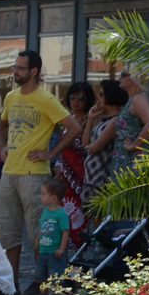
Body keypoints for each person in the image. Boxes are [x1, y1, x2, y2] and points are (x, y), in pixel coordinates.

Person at [0, 50, 80, 291]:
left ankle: (41, 284)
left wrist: (52, 154)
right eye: (15, 67)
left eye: (20, 68)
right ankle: (10, 284)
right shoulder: (11, 97)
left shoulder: (46, 99)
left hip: (35, 175)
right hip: (9, 172)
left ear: (34, 71)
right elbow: (2, 124)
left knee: (39, 233)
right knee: (8, 232)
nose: (15, 71)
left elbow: (73, 127)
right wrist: (2, 146)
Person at [89, 68, 149, 175]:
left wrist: (133, 146)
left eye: (123, 74)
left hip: (133, 164)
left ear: (135, 77)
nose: (119, 77)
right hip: (126, 162)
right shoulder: (133, 100)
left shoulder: (139, 99)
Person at [57, 81, 94, 248]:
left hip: (83, 176)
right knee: (64, 215)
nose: (76, 101)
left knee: (79, 215)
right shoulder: (67, 120)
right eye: (72, 97)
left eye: (81, 98)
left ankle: (80, 255)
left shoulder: (92, 119)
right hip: (64, 174)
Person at [22, 175, 71, 295]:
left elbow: (65, 231)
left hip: (54, 251)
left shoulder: (61, 214)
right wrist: (38, 238)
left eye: (43, 194)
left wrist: (61, 248)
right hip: (44, 249)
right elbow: (43, 227)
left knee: (55, 275)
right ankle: (43, 294)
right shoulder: (46, 211)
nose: (40, 196)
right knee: (41, 273)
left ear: (54, 198)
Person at [81, 78, 126, 210]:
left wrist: (89, 147)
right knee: (91, 217)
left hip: (100, 178)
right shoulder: (103, 119)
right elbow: (85, 143)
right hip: (91, 176)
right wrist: (91, 119)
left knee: (98, 217)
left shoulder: (115, 120)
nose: (98, 98)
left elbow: (94, 147)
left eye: (101, 94)